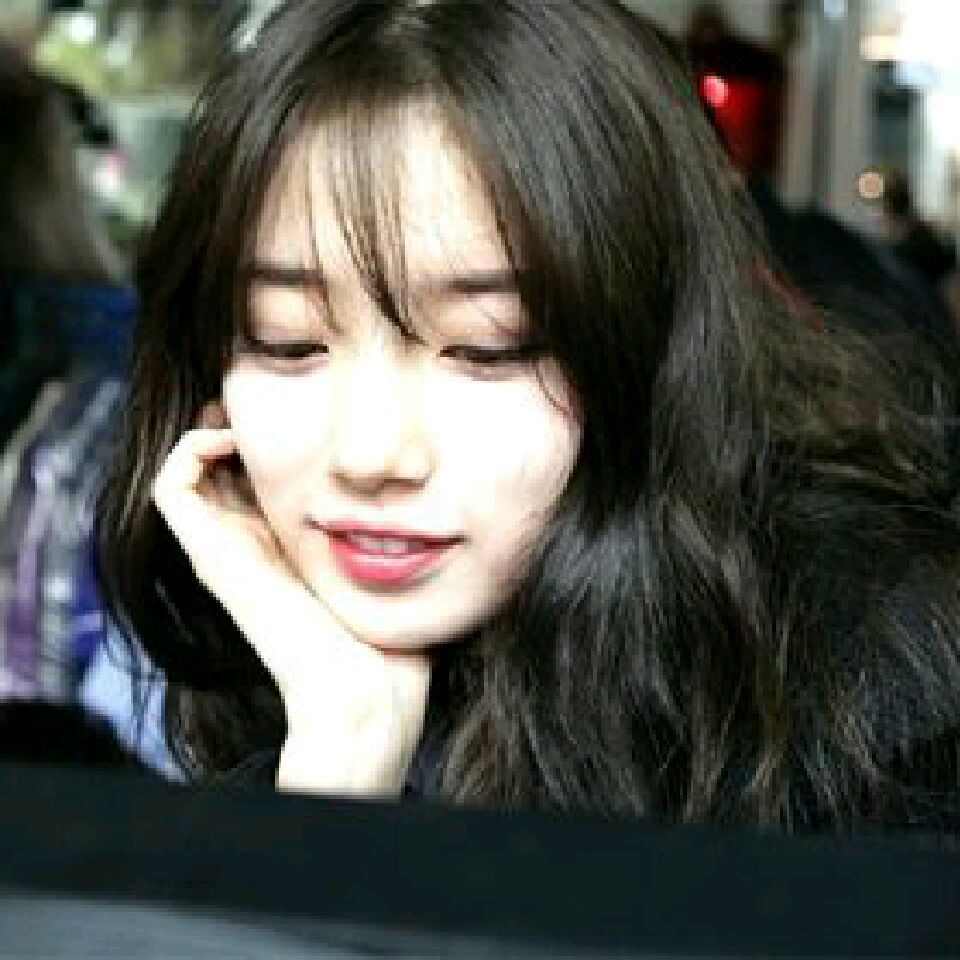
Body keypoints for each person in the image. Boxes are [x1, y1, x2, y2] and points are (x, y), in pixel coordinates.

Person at [99, 0, 960, 829]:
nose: (370, 454)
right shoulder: (281, 639)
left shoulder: (881, 702)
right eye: (286, 342)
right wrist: (342, 751)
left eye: (487, 349)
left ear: (646, 354)